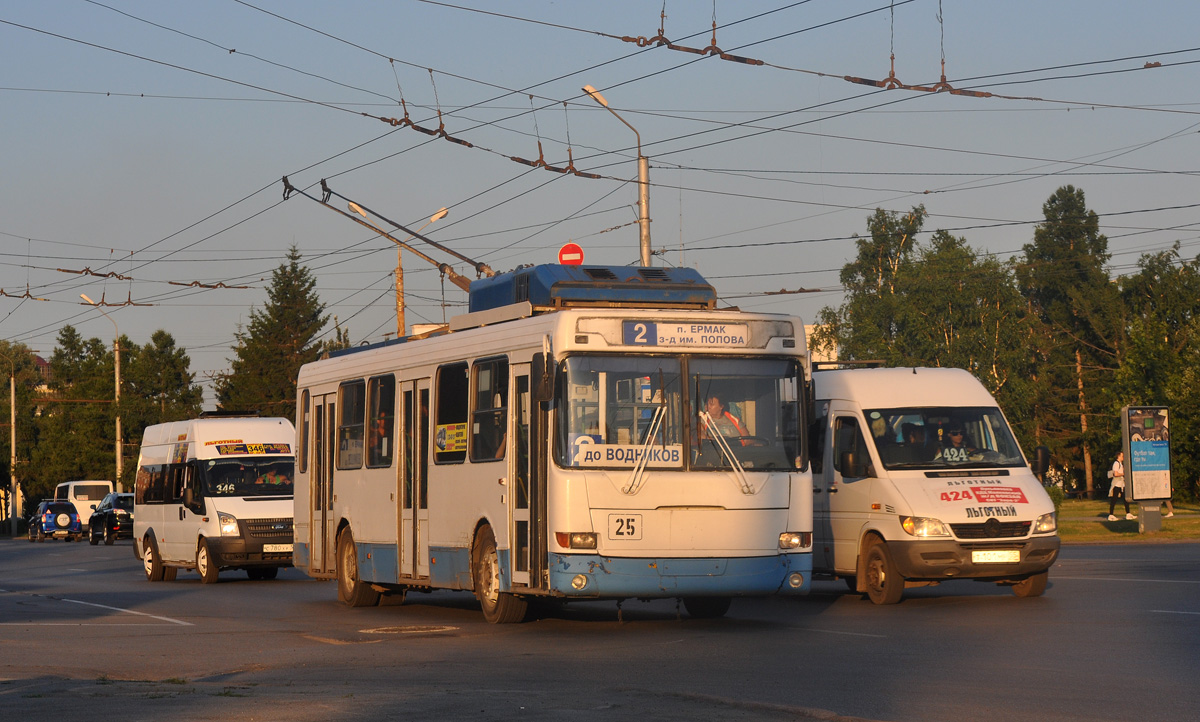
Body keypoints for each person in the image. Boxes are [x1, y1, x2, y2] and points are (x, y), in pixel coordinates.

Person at [1108, 451, 1134, 521]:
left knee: (1125, 499)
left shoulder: (1120, 464)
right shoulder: (1116, 464)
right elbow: (1115, 474)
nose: (1123, 457)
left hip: (1121, 484)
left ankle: (1128, 513)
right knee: (1114, 499)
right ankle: (1111, 515)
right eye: (1122, 456)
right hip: (1116, 484)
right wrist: (1123, 474)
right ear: (1118, 456)